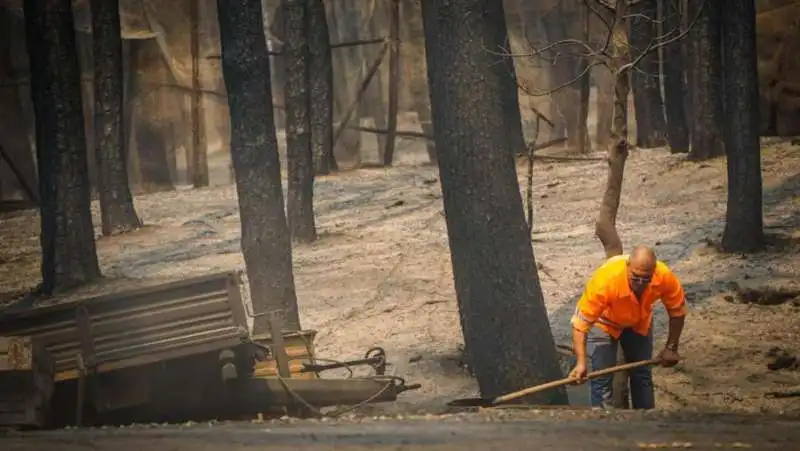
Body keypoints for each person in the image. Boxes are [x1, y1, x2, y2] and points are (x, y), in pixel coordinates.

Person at [568, 246, 687, 409]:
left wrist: (671, 347)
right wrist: (581, 363)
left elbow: (677, 311)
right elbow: (580, 324)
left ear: (654, 272)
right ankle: (603, 424)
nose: (640, 284)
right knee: (601, 378)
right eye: (636, 277)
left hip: (639, 322)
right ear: (628, 266)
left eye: (646, 279)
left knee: (642, 374)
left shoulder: (664, 276)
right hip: (604, 323)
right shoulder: (606, 279)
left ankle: (646, 424)